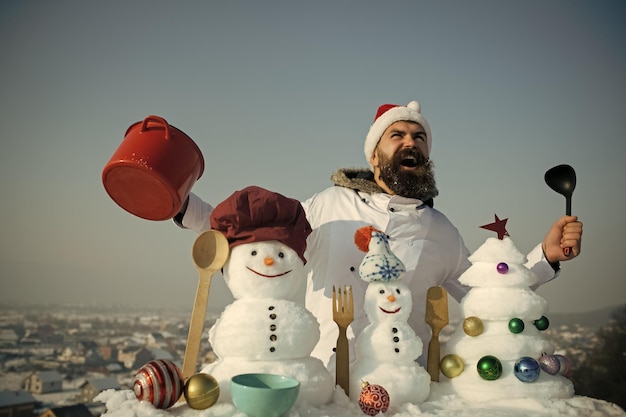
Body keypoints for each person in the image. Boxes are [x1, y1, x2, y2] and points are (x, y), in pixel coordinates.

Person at [173, 100, 583, 368]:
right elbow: (249, 231)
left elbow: (491, 291)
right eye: (398, 135)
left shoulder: (441, 231)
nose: (411, 143)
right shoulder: (328, 205)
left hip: (406, 387)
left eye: (419, 138)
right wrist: (178, 203)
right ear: (374, 156)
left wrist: (545, 257)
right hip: (326, 381)